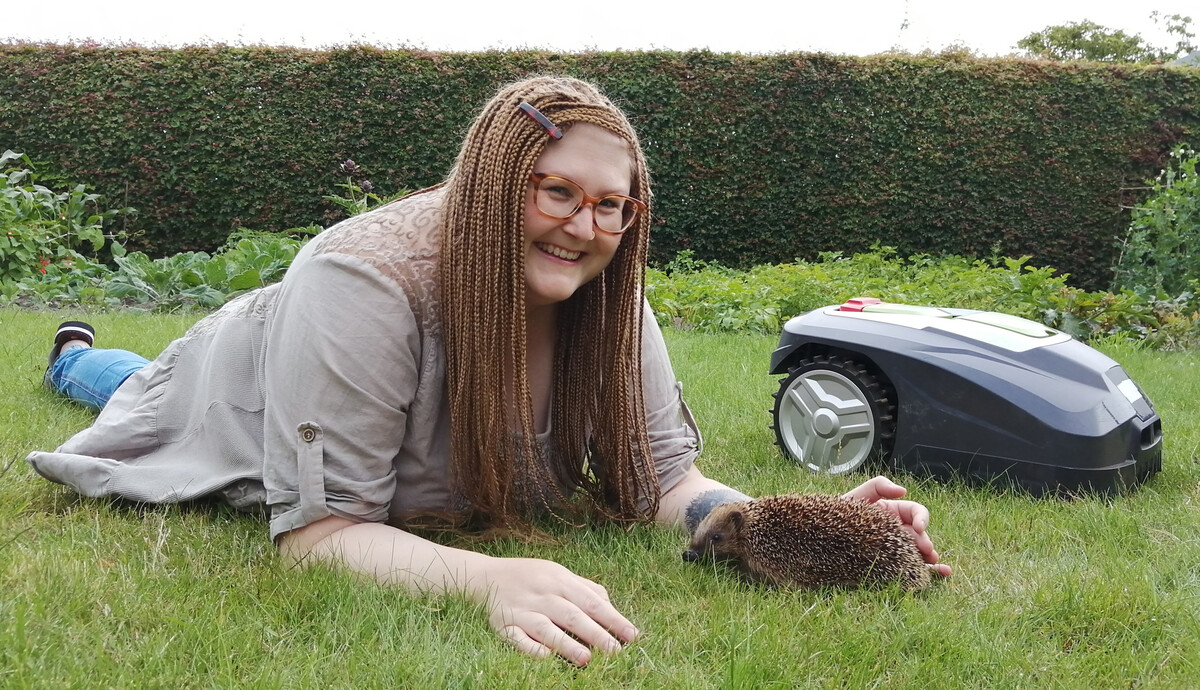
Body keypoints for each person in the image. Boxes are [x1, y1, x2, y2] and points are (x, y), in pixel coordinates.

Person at [28, 75, 950, 667]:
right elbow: (320, 532)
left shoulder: (608, 297)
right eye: (557, 191)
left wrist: (784, 525)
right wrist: (491, 579)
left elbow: (665, 480)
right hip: (241, 379)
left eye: (611, 206)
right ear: (496, 182)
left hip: (306, 358)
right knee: (134, 391)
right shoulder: (364, 282)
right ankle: (73, 355)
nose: (584, 227)